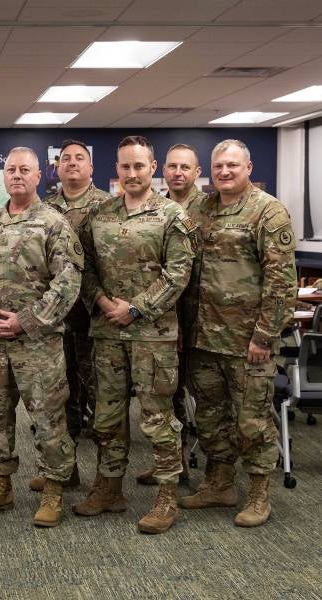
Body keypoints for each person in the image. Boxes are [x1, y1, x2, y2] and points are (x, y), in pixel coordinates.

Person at [74, 135, 196, 535]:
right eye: (125, 166)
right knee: (107, 417)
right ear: (117, 169)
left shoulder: (171, 215)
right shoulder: (101, 214)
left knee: (158, 418)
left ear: (153, 168)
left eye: (139, 166)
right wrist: (105, 303)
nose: (131, 173)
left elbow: (178, 273)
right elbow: (86, 269)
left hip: (153, 336)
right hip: (107, 332)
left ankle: (166, 497)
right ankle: (108, 488)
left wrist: (137, 307)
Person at [0, 147, 83, 528]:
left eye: (24, 170)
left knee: (48, 418)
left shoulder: (53, 224)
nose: (16, 175)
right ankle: (1, 485)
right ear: (4, 176)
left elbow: (68, 282)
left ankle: (53, 490)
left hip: (38, 343)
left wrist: (26, 319)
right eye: (10, 169)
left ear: (38, 176)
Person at [179, 139, 297, 527]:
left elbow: (281, 283)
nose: (224, 172)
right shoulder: (201, 209)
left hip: (248, 342)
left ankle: (259, 492)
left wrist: (265, 336)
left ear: (248, 166)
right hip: (203, 338)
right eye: (218, 166)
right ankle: (219, 483)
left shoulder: (268, 211)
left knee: (253, 421)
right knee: (211, 418)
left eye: (232, 165)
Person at [34, 138, 111, 493]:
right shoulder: (45, 208)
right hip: (56, 320)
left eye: (80, 158)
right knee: (59, 395)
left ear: (91, 167)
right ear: (56, 168)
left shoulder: (109, 207)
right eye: (65, 159)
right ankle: (63, 469)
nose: (72, 163)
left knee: (101, 396)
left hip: (95, 317)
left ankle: (106, 479)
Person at [136, 143, 206, 487]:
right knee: (167, 394)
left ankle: (217, 478)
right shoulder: (152, 206)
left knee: (206, 399)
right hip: (162, 319)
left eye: (185, 167)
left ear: (197, 172)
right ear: (161, 169)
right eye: (172, 166)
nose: (177, 172)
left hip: (202, 316)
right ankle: (175, 464)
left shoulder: (207, 207)